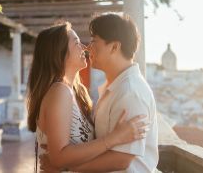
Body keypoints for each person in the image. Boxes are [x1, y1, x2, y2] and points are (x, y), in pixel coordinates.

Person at [27, 22, 149, 172]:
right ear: (59, 52)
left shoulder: (73, 92)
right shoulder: (59, 92)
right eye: (77, 43)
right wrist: (113, 138)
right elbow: (58, 158)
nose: (85, 47)